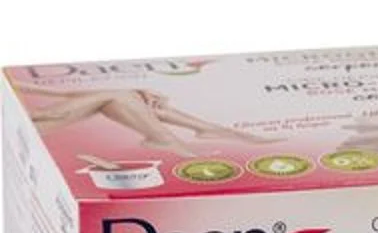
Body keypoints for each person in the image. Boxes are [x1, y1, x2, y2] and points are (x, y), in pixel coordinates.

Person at [16, 82, 275, 158]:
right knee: (119, 96)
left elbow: (21, 85)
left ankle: (205, 130)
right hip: (34, 122)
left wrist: (135, 91)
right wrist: (37, 114)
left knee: (126, 96)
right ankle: (172, 137)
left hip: (37, 115)